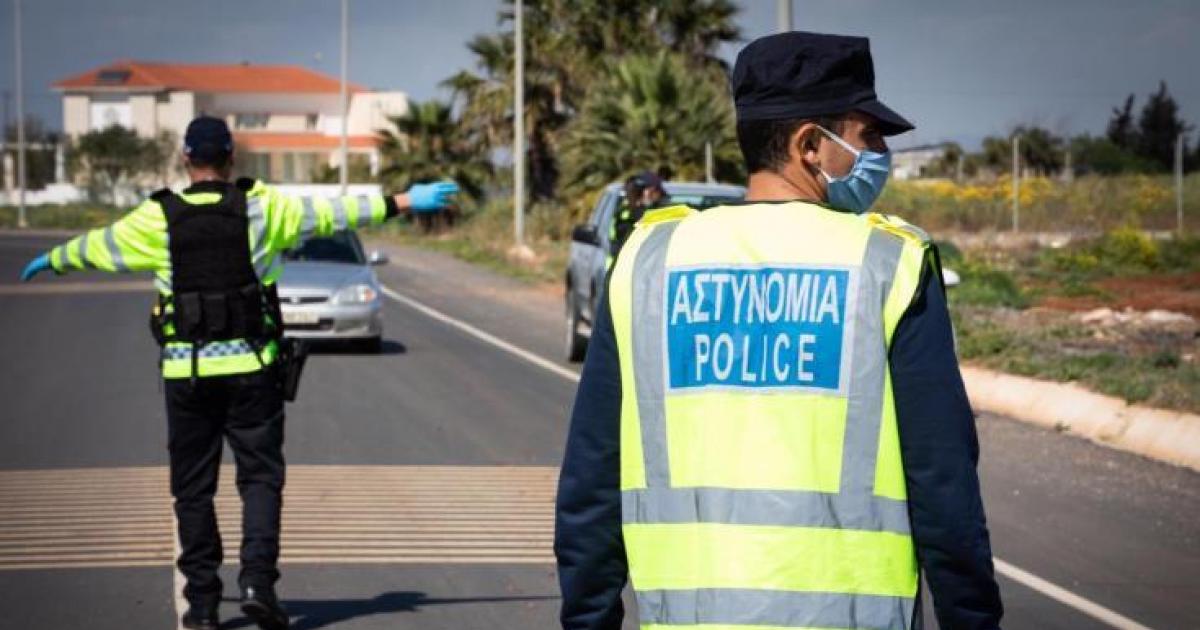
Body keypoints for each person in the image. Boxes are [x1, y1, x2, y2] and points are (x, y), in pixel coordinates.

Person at [555, 31, 1003, 630]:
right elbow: (943, 486)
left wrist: (588, 620)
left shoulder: (650, 260)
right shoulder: (885, 264)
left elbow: (593, 479)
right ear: (811, 146)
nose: (877, 155)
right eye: (866, 136)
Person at [19, 116, 459, 630]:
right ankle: (257, 585)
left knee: (192, 489)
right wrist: (405, 200)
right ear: (231, 160)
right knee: (260, 480)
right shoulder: (263, 208)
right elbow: (335, 212)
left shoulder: (156, 217)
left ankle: (203, 603)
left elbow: (97, 248)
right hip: (253, 371)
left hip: (187, 375)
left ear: (186, 160)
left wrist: (53, 258)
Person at [608, 171, 669, 261]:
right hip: (623, 268)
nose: (659, 197)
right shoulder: (627, 216)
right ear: (647, 192)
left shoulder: (626, 212)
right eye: (656, 191)